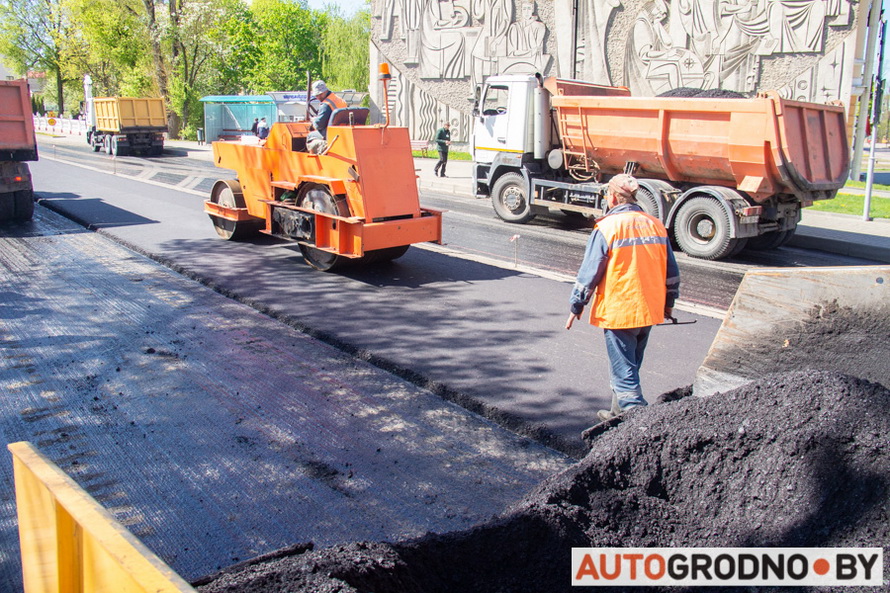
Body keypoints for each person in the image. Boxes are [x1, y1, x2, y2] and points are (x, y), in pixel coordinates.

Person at [564, 174, 680, 424]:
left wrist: (577, 305)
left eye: (607, 195)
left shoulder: (608, 227)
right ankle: (615, 413)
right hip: (649, 309)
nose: (607, 199)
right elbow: (671, 271)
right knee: (629, 365)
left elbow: (589, 272)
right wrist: (669, 303)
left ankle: (636, 420)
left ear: (614, 197)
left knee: (624, 370)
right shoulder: (655, 224)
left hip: (621, 310)